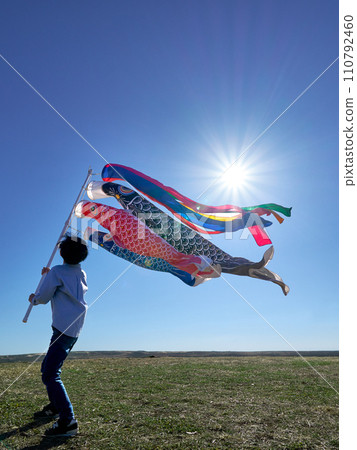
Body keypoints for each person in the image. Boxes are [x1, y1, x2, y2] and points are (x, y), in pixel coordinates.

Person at [28, 234, 88, 437]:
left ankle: (67, 420)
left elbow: (43, 297)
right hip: (74, 329)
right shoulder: (81, 273)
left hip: (62, 327)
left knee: (50, 373)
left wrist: (33, 299)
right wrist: (49, 276)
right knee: (48, 367)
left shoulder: (57, 271)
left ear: (62, 253)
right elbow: (61, 284)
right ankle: (55, 406)